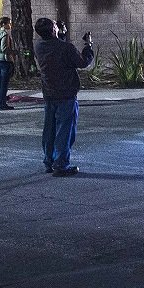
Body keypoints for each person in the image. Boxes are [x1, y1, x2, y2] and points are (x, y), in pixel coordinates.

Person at [33, 17, 95, 176]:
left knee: (50, 129)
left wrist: (60, 35)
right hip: (66, 93)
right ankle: (60, 164)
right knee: (65, 131)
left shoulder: (39, 46)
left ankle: (49, 161)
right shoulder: (66, 48)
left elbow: (57, 49)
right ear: (53, 30)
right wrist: (88, 45)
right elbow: (82, 62)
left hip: (49, 93)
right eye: (55, 25)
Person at [0, 16, 17, 111]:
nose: (10, 25)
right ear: (3, 24)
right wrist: (14, 52)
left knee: (1, 82)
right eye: (9, 23)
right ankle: (2, 103)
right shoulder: (5, 34)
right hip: (4, 60)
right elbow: (4, 48)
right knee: (4, 83)